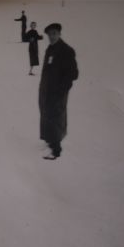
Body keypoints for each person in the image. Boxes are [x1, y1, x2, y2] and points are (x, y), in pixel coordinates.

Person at [39, 23, 79, 160]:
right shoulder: (50, 49)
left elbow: (73, 74)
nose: (51, 36)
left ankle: (56, 151)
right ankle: (50, 142)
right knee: (46, 116)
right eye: (49, 34)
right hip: (46, 91)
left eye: (54, 33)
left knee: (55, 117)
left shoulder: (66, 51)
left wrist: (61, 91)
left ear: (59, 34)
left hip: (57, 93)